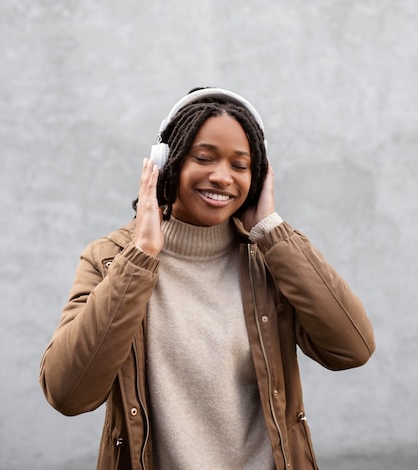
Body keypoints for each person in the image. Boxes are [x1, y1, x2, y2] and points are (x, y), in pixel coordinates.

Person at [40, 87, 375, 470]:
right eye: (204, 158)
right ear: (167, 164)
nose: (222, 177)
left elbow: (353, 349)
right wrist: (141, 256)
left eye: (240, 165)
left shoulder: (271, 258)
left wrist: (272, 232)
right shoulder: (109, 259)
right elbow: (67, 394)